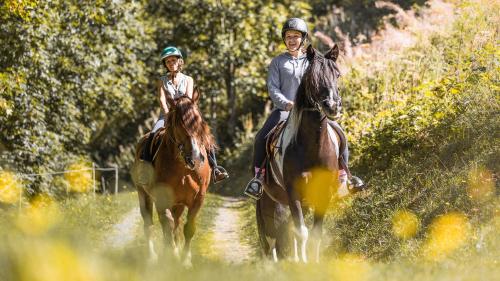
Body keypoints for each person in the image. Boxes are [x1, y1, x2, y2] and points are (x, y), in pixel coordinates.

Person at [243, 18, 364, 199]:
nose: (292, 40)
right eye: (288, 36)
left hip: (312, 111)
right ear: (284, 39)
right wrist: (286, 103)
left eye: (296, 36)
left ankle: (345, 177)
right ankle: (258, 180)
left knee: (340, 134)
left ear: (303, 39)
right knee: (262, 137)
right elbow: (273, 87)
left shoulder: (312, 61)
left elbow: (323, 82)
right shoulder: (278, 62)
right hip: (285, 111)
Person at [139, 46, 229, 183]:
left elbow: (187, 98)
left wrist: (182, 114)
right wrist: (167, 113)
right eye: (168, 61)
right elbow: (162, 99)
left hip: (186, 116)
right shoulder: (162, 80)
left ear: (179, 61)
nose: (171, 63)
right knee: (153, 133)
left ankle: (215, 169)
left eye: (173, 60)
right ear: (165, 64)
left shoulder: (188, 79)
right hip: (167, 115)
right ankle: (146, 169)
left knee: (204, 134)